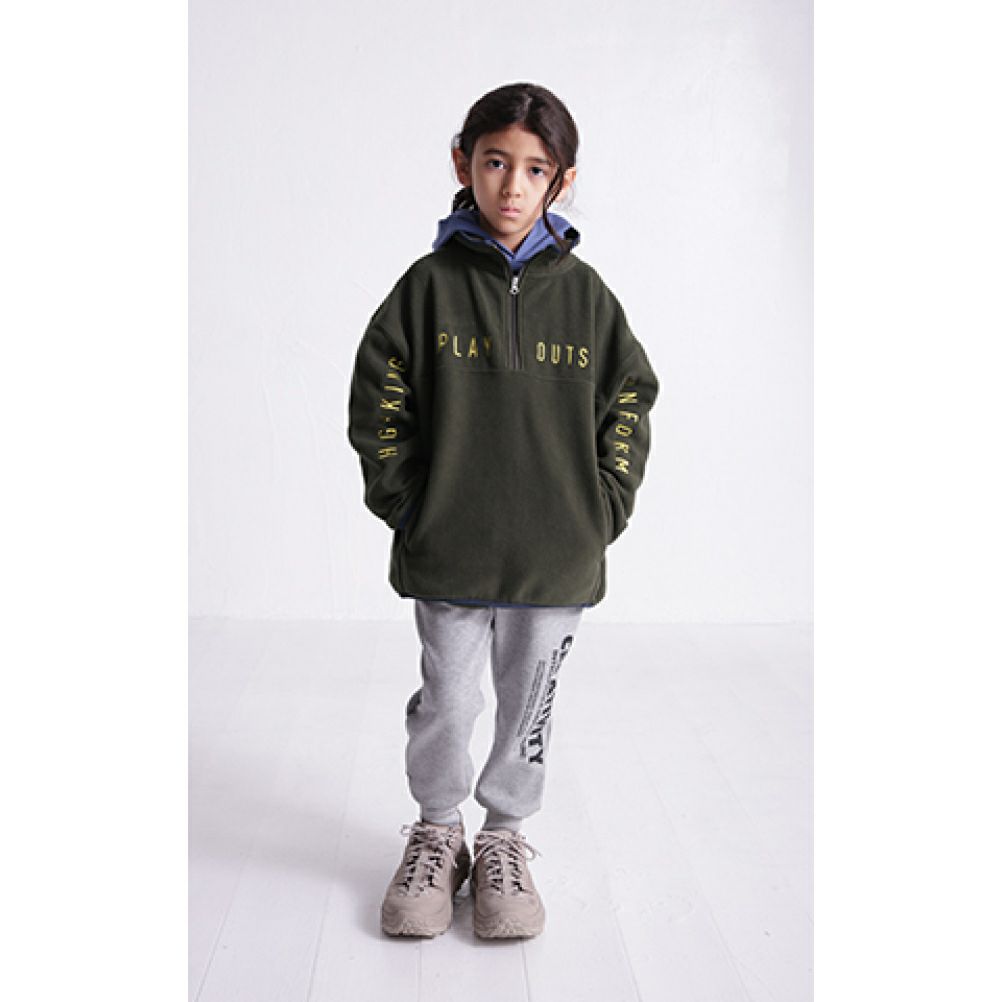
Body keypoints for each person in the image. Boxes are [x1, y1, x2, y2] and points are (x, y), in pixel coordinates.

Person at [347, 82, 658, 939]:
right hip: (449, 549)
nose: (512, 186)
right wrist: (409, 504)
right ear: (463, 164)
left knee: (527, 711)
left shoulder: (587, 299)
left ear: (561, 181)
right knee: (446, 703)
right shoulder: (426, 289)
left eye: (534, 169)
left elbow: (630, 395)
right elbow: (378, 398)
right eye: (494, 162)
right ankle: (437, 833)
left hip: (555, 558)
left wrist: (601, 507)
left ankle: (505, 840)